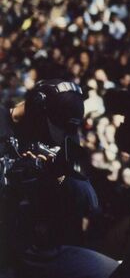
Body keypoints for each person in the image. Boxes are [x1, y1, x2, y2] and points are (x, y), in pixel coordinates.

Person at [1, 79, 119, 278]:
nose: (52, 137)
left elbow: (90, 201)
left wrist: (57, 175)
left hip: (35, 247)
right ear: (36, 106)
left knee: (114, 271)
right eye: (52, 128)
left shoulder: (62, 135)